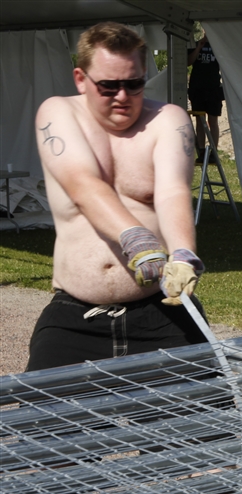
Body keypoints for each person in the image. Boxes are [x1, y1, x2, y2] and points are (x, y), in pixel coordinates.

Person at [28, 22, 207, 372]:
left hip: (161, 311)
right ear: (81, 79)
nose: (123, 96)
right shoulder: (58, 113)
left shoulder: (168, 120)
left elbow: (172, 191)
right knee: (42, 424)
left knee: (206, 426)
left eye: (134, 84)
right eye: (108, 86)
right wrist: (136, 238)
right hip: (75, 315)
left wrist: (184, 253)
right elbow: (82, 184)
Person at [188, 30, 223, 164]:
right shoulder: (196, 44)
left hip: (213, 88)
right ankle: (202, 151)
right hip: (197, 88)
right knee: (200, 121)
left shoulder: (218, 46)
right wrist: (199, 47)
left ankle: (213, 152)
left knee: (213, 121)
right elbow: (188, 61)